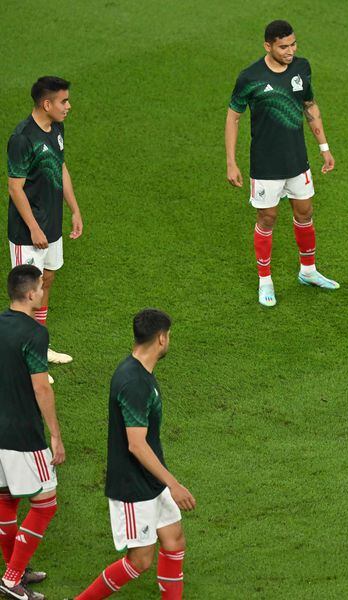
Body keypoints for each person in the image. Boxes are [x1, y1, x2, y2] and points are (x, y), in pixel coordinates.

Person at [75, 309, 195, 599]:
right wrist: (173, 484)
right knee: (139, 561)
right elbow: (136, 445)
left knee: (174, 539)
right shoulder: (134, 383)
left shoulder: (139, 373)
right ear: (161, 339)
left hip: (150, 478)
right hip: (133, 485)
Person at [225, 19, 339, 307]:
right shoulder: (249, 77)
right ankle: (265, 280)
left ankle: (308, 271)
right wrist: (231, 162)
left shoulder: (302, 68)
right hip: (265, 165)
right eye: (283, 46)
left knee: (305, 212)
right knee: (267, 218)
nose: (290, 51)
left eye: (293, 44)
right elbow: (233, 117)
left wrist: (324, 147)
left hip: (297, 159)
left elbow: (309, 105)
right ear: (268, 46)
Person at [6, 76, 84, 376]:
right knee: (26, 292)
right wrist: (34, 229)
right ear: (46, 103)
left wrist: (74, 209)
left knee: (47, 280)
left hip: (52, 226)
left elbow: (61, 167)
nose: (68, 106)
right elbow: (15, 188)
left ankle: (37, 345)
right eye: (63, 101)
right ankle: (25, 357)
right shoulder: (22, 138)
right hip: (28, 233)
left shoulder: (56, 128)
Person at [0, 266, 65, 600]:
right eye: (40, 286)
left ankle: (16, 568)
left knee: (6, 502)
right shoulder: (35, 334)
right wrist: (55, 435)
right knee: (45, 503)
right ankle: (11, 578)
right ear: (29, 294)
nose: (43, 290)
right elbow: (42, 388)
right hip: (23, 434)